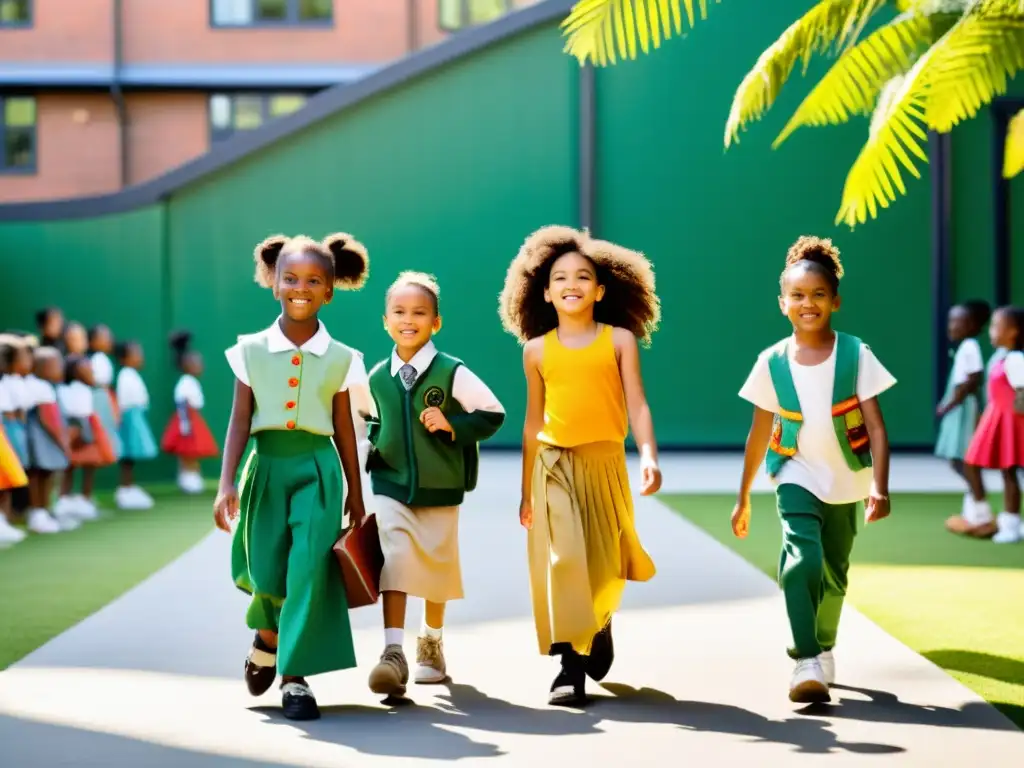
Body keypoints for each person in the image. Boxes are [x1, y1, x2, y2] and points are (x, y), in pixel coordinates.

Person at [498, 225, 662, 706]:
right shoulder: (535, 351)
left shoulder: (620, 341)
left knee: (603, 565)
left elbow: (638, 404)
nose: (572, 283)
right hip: (553, 466)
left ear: (601, 289)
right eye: (560, 277)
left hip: (606, 463)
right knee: (564, 560)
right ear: (544, 293)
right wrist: (526, 491)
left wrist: (648, 454)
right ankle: (570, 667)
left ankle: (600, 621)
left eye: (583, 276)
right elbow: (532, 423)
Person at [214, 232, 371, 721]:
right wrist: (226, 482)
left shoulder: (344, 358)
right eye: (290, 278)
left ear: (329, 289)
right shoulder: (248, 350)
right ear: (274, 283)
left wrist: (356, 495)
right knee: (267, 570)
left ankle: (295, 677)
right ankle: (266, 638)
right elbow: (240, 419)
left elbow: (345, 427)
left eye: (314, 280)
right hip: (266, 470)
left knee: (306, 570)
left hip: (319, 473)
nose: (300, 287)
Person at [732, 235, 896, 703]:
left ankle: (824, 646)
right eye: (798, 296)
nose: (808, 304)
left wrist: (879, 487)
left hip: (847, 479)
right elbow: (759, 433)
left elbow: (877, 429)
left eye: (819, 295)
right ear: (782, 302)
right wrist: (743, 496)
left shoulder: (855, 354)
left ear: (836, 302)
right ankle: (804, 658)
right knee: (801, 560)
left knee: (835, 574)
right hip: (794, 472)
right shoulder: (771, 361)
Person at [363, 271, 505, 697]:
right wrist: (371, 450)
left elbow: (492, 414)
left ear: (435, 323)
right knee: (395, 561)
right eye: (400, 312)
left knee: (437, 569)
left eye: (420, 312)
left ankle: (431, 641)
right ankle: (392, 652)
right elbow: (367, 423)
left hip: (442, 488)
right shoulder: (374, 377)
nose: (409, 319)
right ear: (386, 320)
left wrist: (452, 423)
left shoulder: (452, 372)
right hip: (391, 486)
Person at [960, 306, 1024, 544]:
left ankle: (1011, 524)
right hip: (997, 417)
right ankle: (987, 516)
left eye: (997, 326)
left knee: (1009, 473)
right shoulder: (1004, 357)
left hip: (1011, 422)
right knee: (995, 469)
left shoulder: (1016, 359)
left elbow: (1021, 392)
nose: (992, 331)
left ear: (1013, 332)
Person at [936, 301, 990, 529]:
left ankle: (981, 511)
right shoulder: (965, 347)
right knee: (958, 460)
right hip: (959, 406)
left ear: (973, 325)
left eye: (958, 321)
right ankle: (973, 505)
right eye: (951, 320)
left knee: (965, 459)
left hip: (964, 409)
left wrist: (951, 404)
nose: (952, 326)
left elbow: (974, 377)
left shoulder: (970, 346)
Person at [161, 330, 219, 493]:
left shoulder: (191, 381)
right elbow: (182, 404)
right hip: (187, 420)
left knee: (193, 450)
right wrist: (185, 425)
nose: (200, 366)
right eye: (195, 363)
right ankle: (187, 476)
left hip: (193, 419)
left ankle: (192, 475)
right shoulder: (185, 382)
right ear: (185, 365)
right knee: (187, 451)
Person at [24, 346, 73, 533]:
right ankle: (38, 513)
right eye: (56, 365)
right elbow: (48, 419)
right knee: (38, 475)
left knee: (46, 475)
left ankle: (45, 511)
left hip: (45, 440)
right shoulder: (40, 388)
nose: (60, 369)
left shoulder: (46, 386)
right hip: (41, 440)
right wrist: (62, 440)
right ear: (42, 367)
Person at [115, 340, 158, 510]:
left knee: (131, 456)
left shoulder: (131, 374)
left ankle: (129, 487)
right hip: (129, 417)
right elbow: (124, 402)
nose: (140, 357)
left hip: (136, 415)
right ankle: (124, 490)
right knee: (127, 454)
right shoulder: (125, 375)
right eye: (135, 353)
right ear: (124, 358)